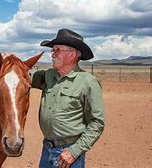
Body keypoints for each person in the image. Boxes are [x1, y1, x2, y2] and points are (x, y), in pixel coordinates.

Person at [31, 29, 105, 168]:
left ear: (72, 55)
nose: (52, 54)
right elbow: (21, 77)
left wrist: (74, 151)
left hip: (68, 153)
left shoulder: (88, 82)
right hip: (47, 148)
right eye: (52, 50)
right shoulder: (48, 76)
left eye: (57, 50)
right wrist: (8, 63)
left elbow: (97, 123)